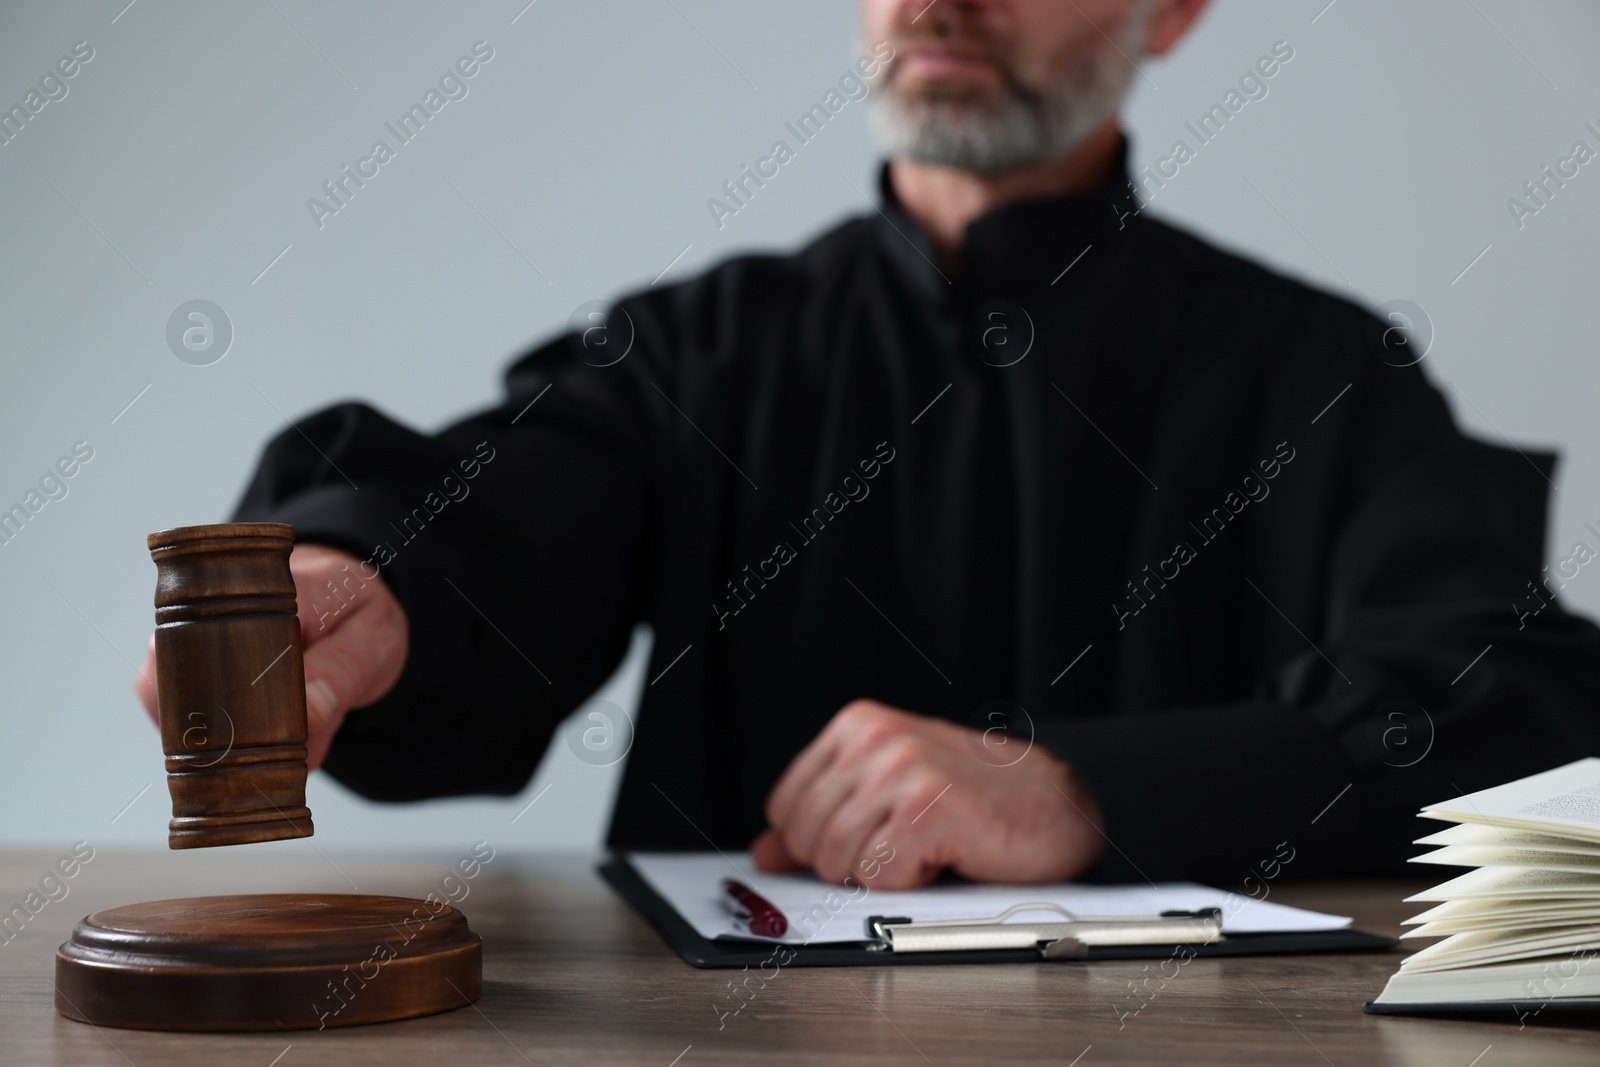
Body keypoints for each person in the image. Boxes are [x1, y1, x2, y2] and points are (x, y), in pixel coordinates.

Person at [136, 0, 1600, 890]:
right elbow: (492, 526)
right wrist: (363, 580)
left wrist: (1090, 790)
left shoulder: (1325, 373)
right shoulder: (697, 351)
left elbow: (1517, 701)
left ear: (1171, 14)